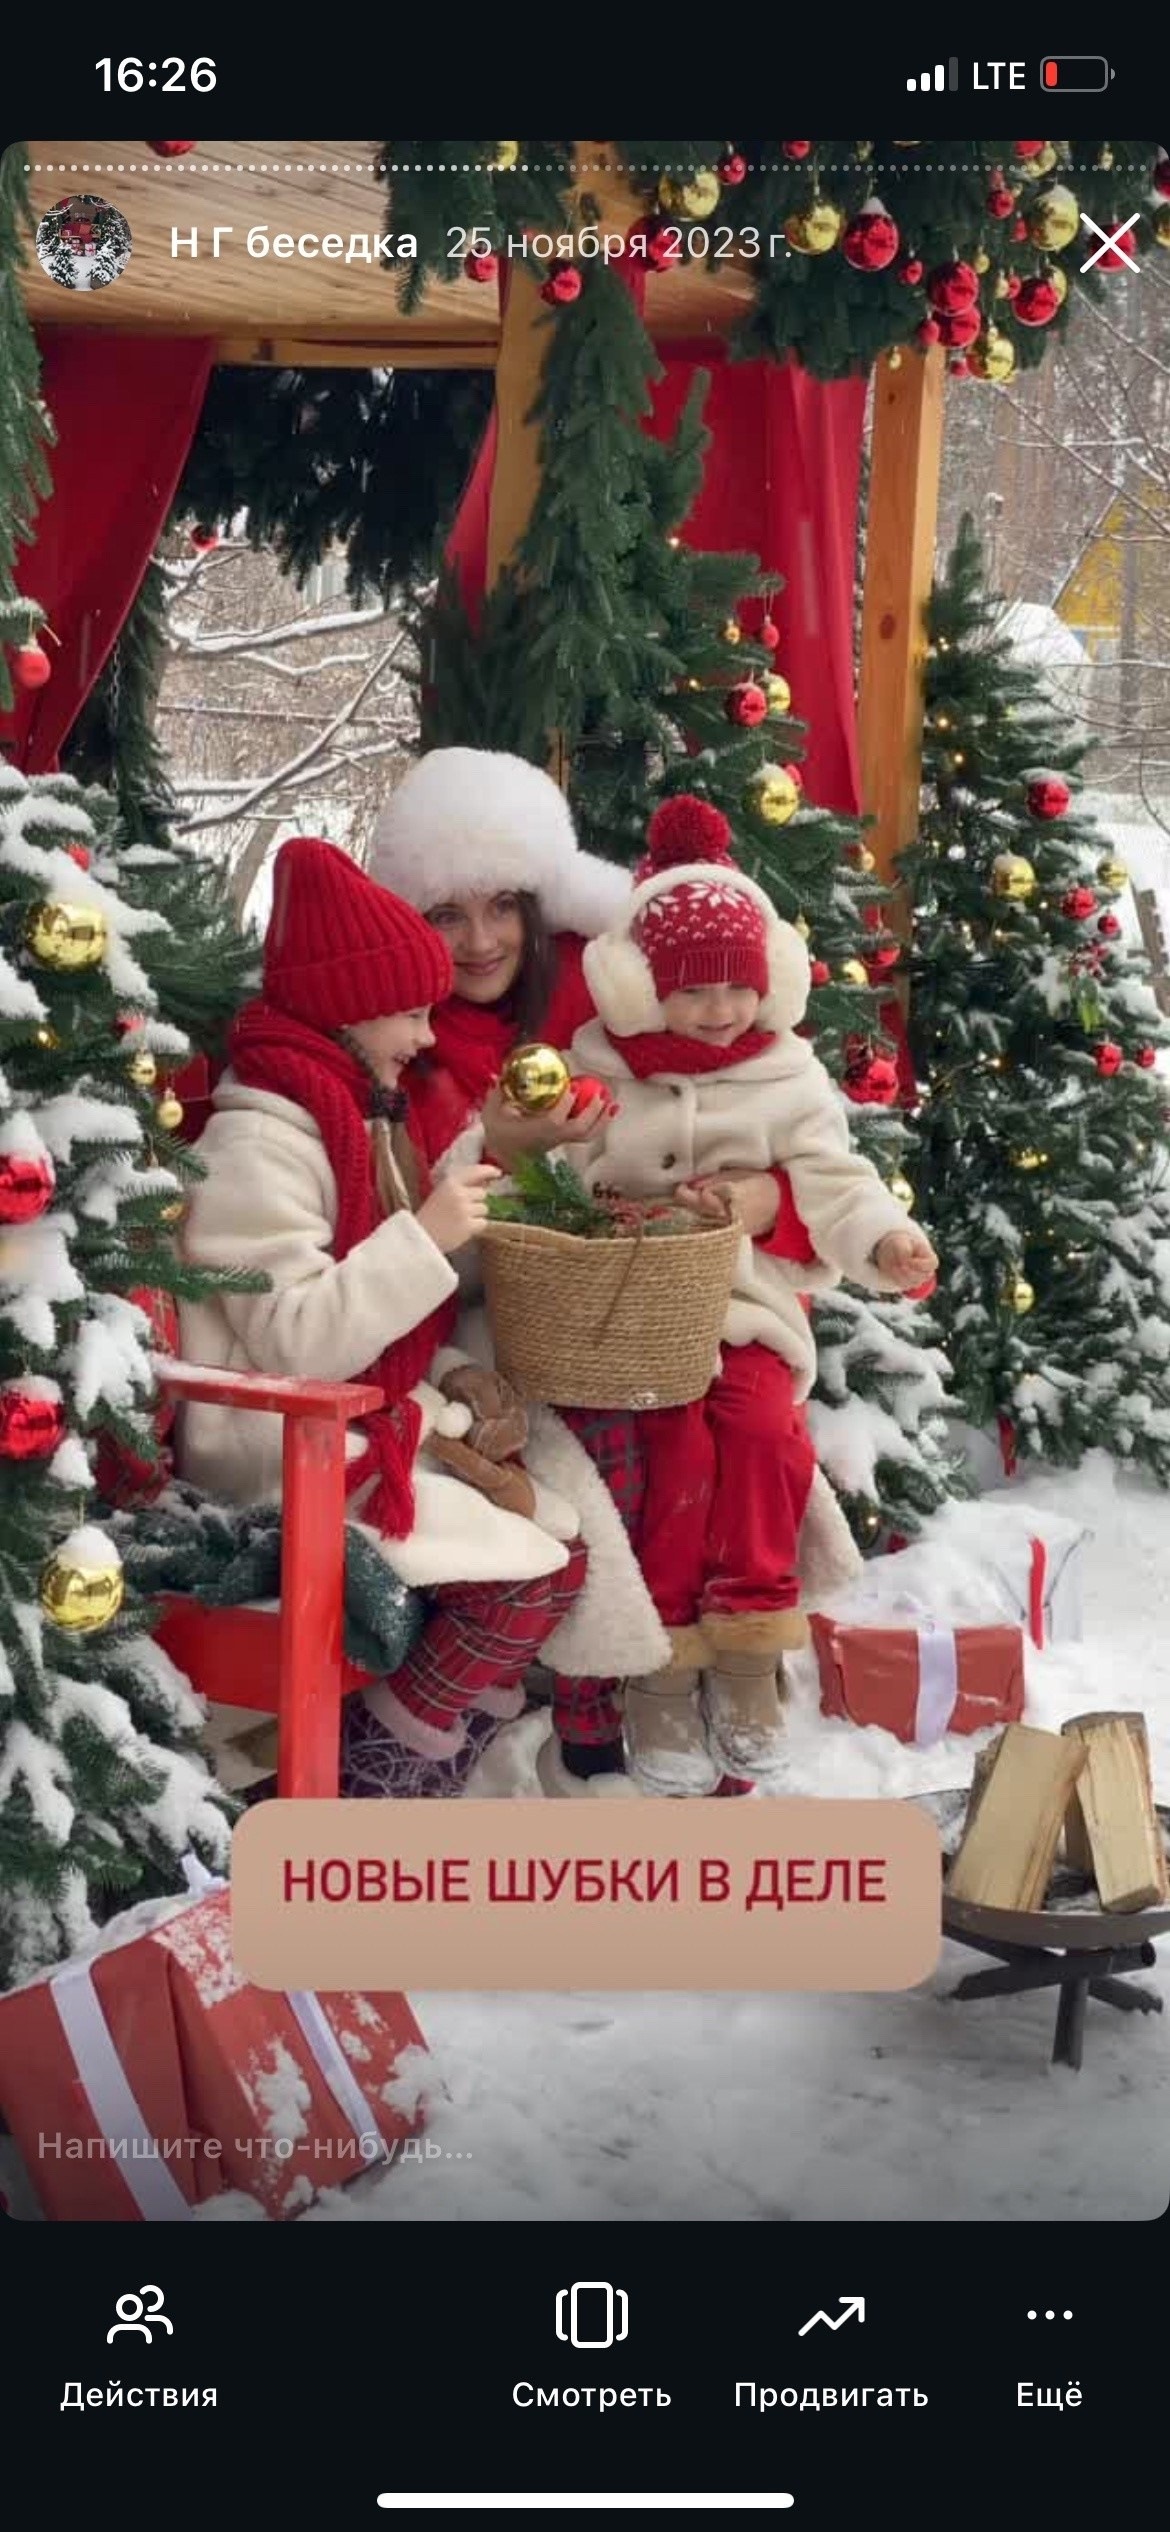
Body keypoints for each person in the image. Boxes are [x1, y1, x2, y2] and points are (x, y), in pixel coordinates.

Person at [175, 833, 592, 1791]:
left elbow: (381, 1318)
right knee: (525, 1578)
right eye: (408, 1013)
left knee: (560, 1555)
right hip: (278, 1450)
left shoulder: (360, 1113)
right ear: (346, 1012)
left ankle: (417, 1749)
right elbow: (291, 1336)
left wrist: (452, 1372)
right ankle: (377, 1781)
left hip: (363, 1422)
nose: (425, 1036)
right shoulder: (261, 1140)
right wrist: (428, 1236)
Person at [554, 792, 939, 1792]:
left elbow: (835, 1180)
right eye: (690, 990)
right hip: (634, 1320)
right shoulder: (596, 1067)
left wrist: (883, 1238)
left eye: (735, 985)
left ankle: (749, 1651)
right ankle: (665, 1668)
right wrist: (601, 1205)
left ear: (768, 980)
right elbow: (551, 1175)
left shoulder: (788, 1074)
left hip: (750, 1313)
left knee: (764, 1435)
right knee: (676, 1451)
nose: (718, 1008)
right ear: (640, 988)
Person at [368, 746, 684, 1798]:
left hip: (586, 1297)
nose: (482, 940)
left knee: (677, 1413)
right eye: (448, 916)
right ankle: (571, 1705)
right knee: (592, 1439)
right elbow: (417, 1250)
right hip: (458, 1326)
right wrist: (500, 1148)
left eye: (501, 906)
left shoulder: (578, 1018)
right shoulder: (395, 1051)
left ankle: (644, 1681)